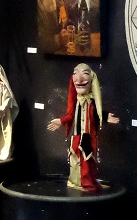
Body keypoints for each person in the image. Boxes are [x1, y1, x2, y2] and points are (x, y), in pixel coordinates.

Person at [47, 63, 119, 191]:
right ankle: (78, 183)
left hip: (89, 137)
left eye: (85, 73)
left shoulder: (91, 102)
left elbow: (95, 113)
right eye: (75, 73)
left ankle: (90, 182)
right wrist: (61, 121)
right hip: (78, 138)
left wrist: (105, 116)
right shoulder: (76, 102)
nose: (79, 78)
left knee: (89, 162)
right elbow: (70, 115)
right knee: (79, 162)